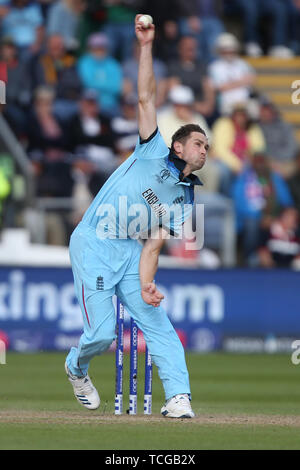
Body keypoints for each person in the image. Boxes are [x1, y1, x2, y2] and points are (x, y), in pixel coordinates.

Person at [64, 14, 209, 419]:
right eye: (198, 143)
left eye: (207, 146)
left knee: (158, 322)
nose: (204, 149)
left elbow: (155, 243)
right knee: (101, 333)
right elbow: (146, 98)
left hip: (131, 253)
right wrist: (146, 46)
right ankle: (76, 366)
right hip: (94, 241)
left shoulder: (183, 201)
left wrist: (147, 285)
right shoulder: (151, 150)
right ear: (178, 147)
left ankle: (179, 397)